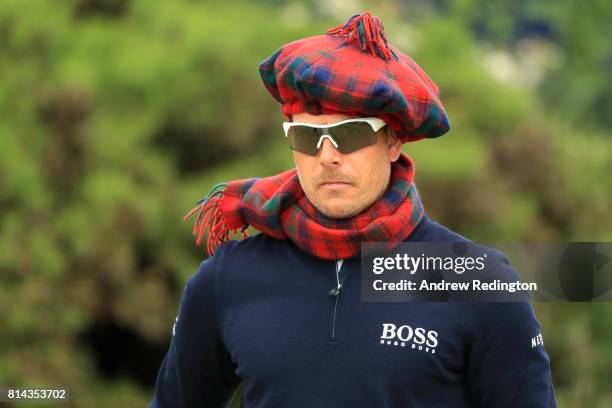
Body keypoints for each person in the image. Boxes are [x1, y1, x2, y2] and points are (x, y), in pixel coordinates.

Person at [149, 10, 556, 407]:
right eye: (308, 137)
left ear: (394, 142)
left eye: (351, 133)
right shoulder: (228, 278)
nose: (327, 157)